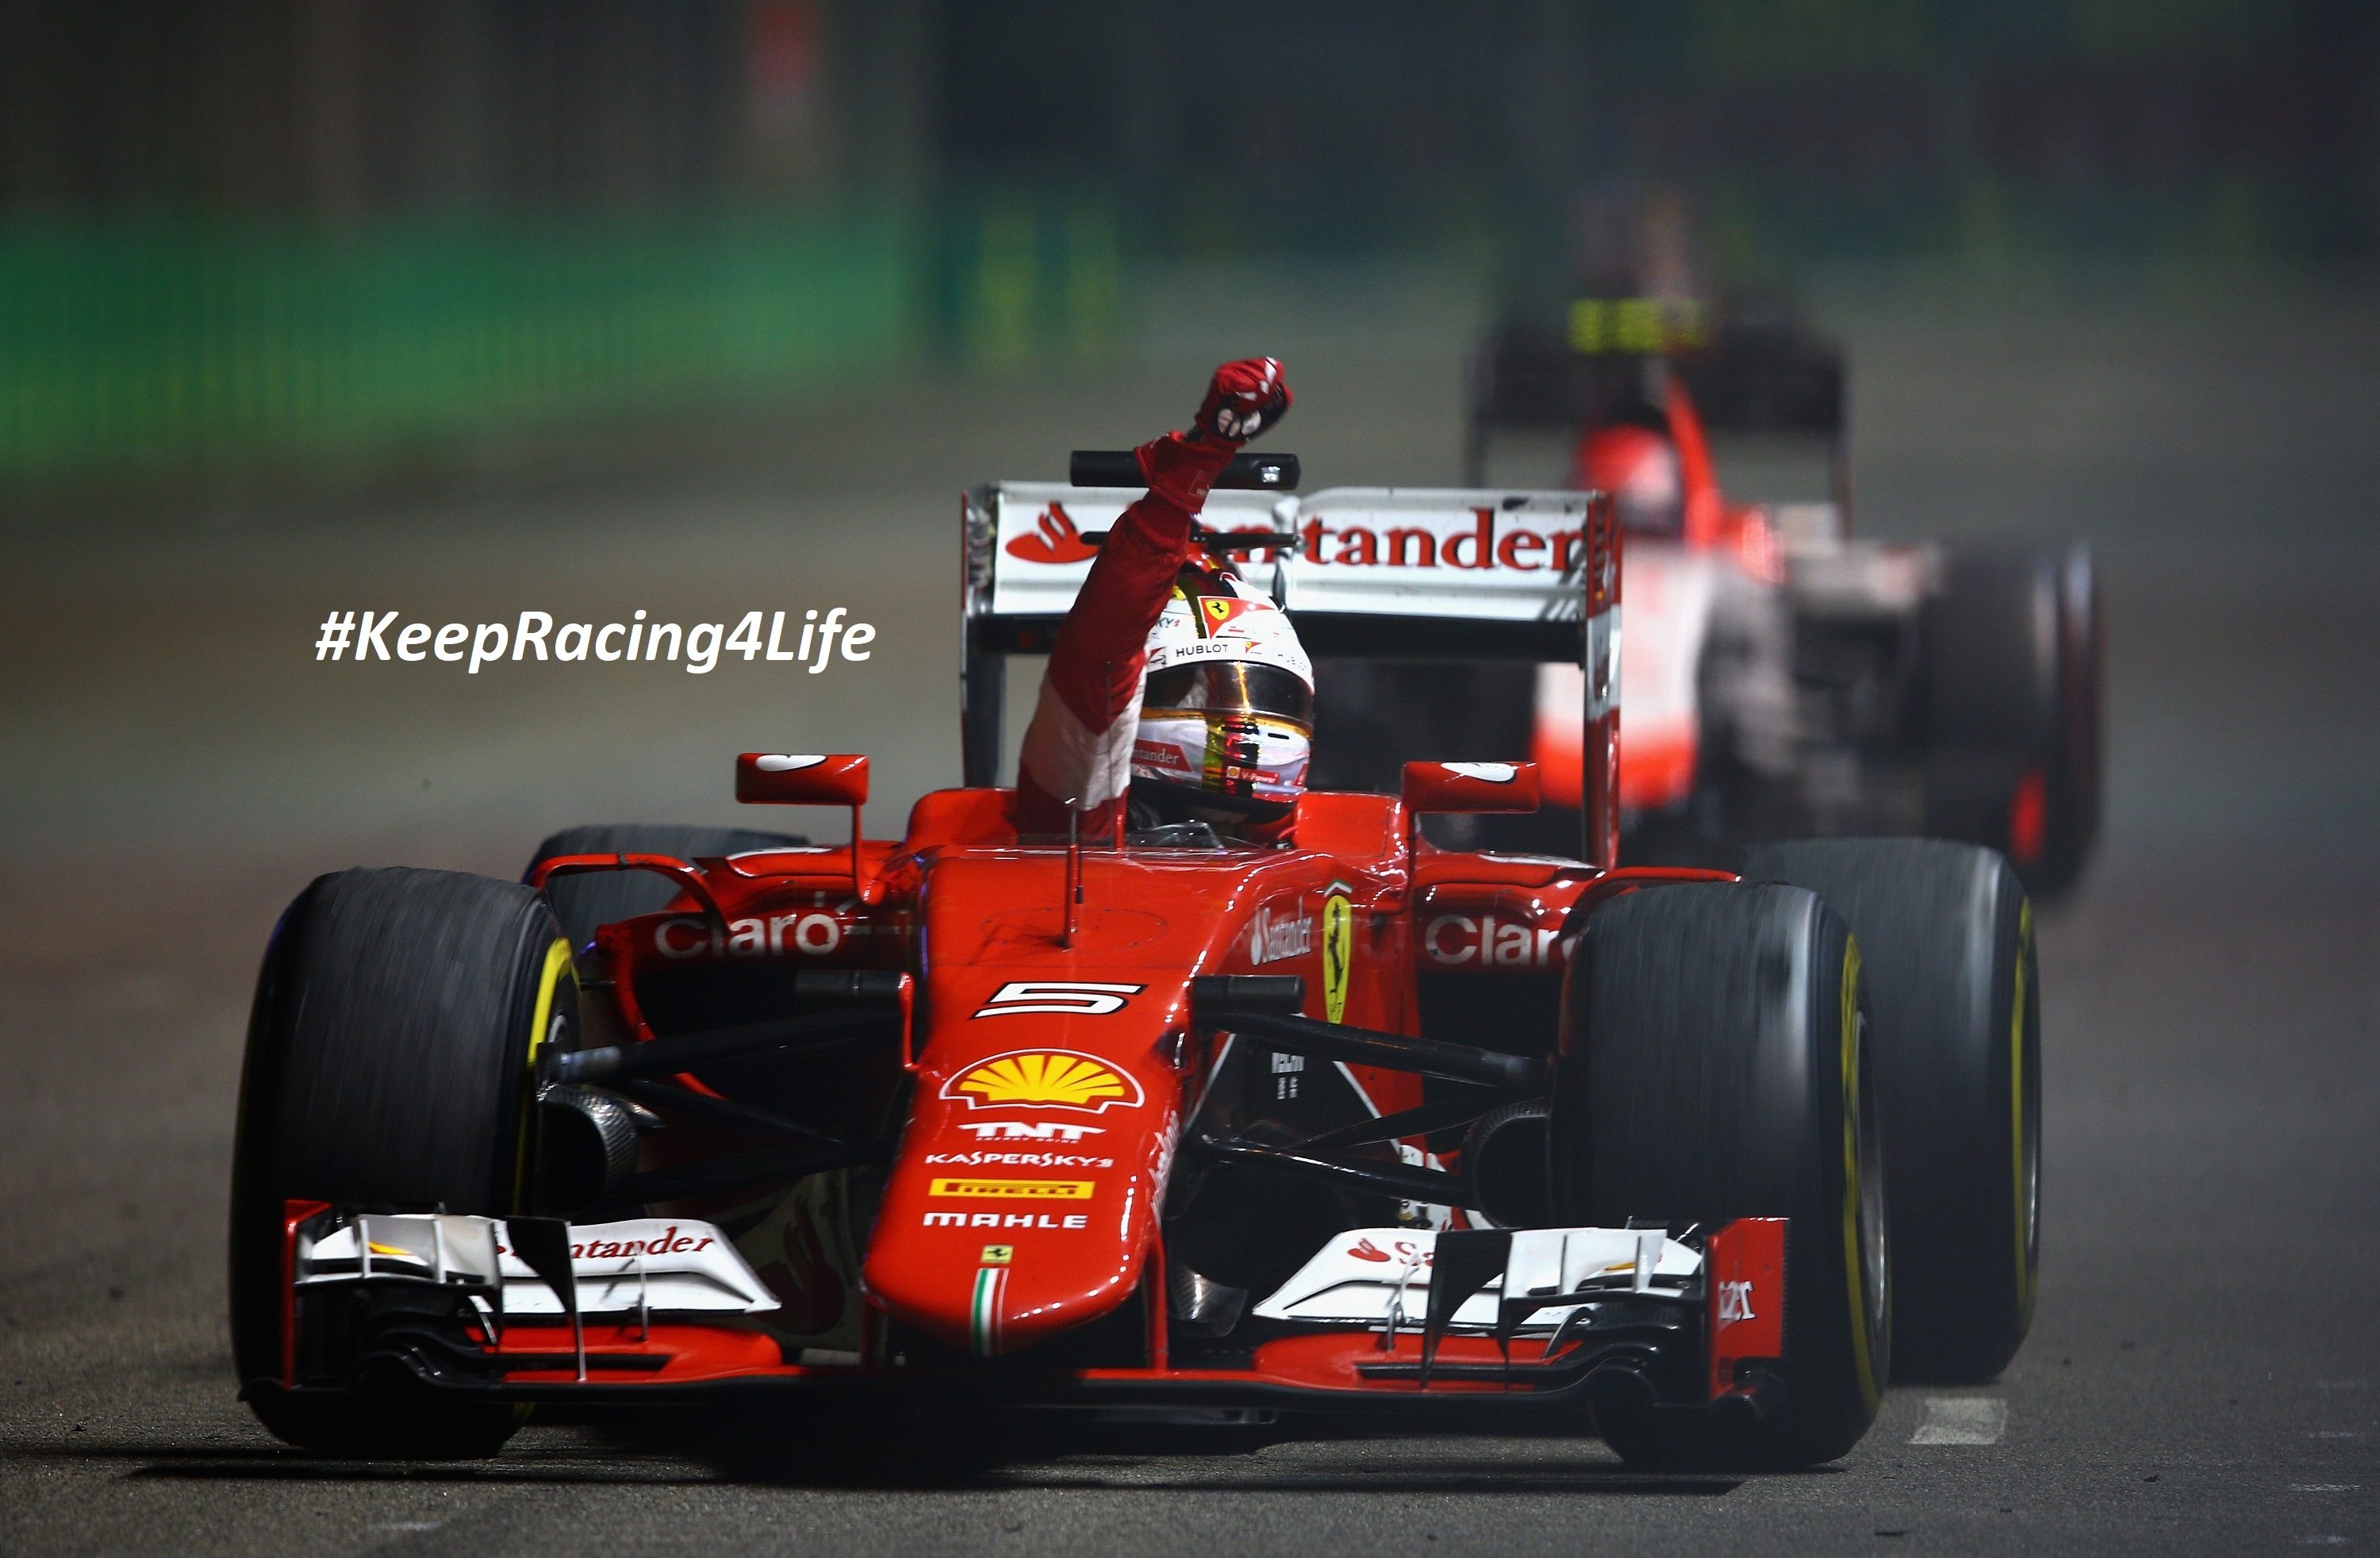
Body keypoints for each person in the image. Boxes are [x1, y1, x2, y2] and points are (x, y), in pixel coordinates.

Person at [1014, 358, 1307, 844]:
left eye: (1268, 692)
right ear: (1134, 702)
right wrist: (1199, 463)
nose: (1241, 719)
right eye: (1201, 690)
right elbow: (1104, 645)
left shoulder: (1328, 865)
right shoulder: (1083, 814)